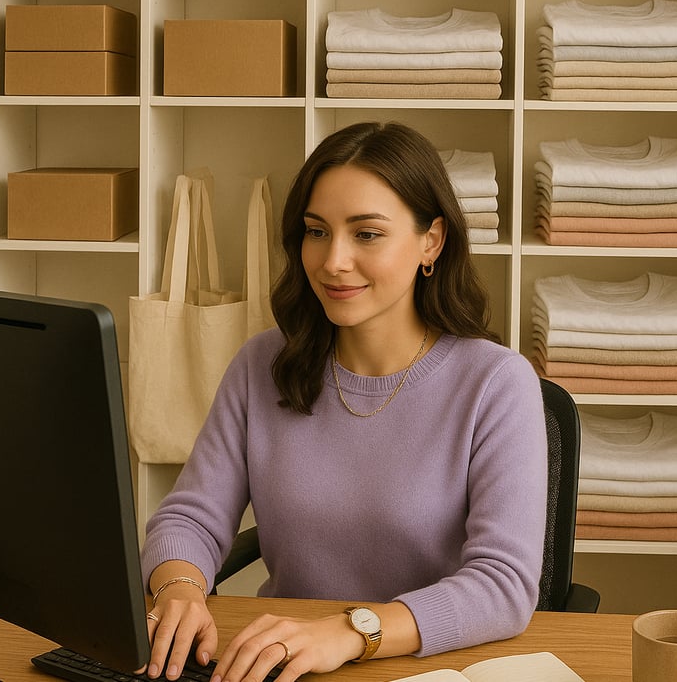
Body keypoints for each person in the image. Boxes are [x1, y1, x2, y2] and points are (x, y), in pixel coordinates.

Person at [140, 121, 548, 682]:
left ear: (431, 241)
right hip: (285, 668)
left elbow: (503, 586)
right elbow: (189, 516)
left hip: (430, 668)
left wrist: (352, 631)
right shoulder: (262, 365)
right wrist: (180, 588)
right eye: (316, 231)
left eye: (367, 234)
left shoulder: (497, 384)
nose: (333, 261)